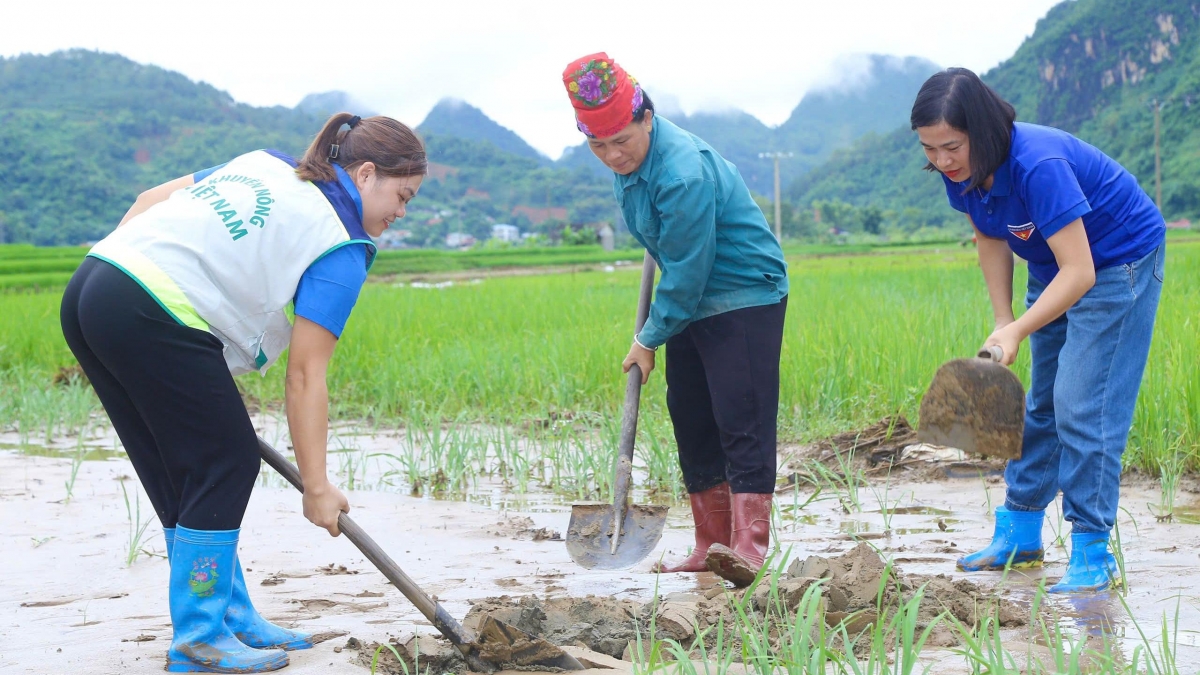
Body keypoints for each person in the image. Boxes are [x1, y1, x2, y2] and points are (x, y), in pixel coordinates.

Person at [60, 113, 426, 671]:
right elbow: (305, 375)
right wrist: (317, 488)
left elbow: (146, 200)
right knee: (225, 463)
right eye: (402, 196)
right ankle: (200, 636)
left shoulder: (266, 165)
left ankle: (228, 615)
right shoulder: (341, 244)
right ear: (367, 173)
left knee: (181, 471)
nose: (401, 213)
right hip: (152, 309)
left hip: (95, 283)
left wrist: (125, 275)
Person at [911, 68, 1165, 593]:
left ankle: (1094, 552)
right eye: (930, 149)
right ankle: (1021, 533)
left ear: (981, 131)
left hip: (1118, 264)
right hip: (1053, 269)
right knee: (1044, 401)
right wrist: (1003, 320)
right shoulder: (961, 175)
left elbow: (1084, 270)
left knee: (1081, 404)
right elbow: (990, 238)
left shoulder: (1037, 165)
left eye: (951, 146)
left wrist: (1020, 330)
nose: (942, 161)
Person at [559, 53, 790, 587]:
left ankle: (748, 549)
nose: (613, 155)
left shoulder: (682, 170)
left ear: (646, 117)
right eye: (598, 146)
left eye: (622, 141)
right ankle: (710, 544)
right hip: (691, 295)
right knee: (691, 414)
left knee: (742, 418)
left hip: (743, 293)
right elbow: (673, 260)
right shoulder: (633, 164)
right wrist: (660, 328)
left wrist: (647, 338)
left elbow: (686, 272)